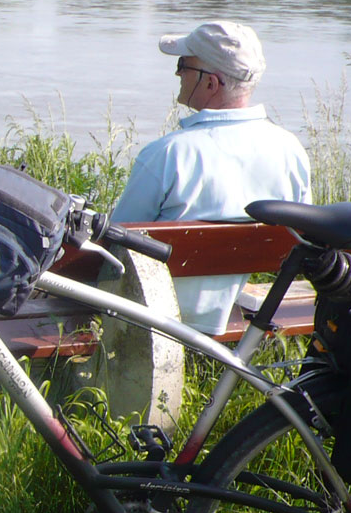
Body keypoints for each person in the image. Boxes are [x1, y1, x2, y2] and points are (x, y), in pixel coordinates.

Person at [112, 20, 311, 335]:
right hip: (246, 308)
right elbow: (301, 236)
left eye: (183, 65)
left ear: (210, 83)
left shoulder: (168, 155)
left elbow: (115, 248)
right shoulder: (290, 149)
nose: (178, 74)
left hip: (164, 314)